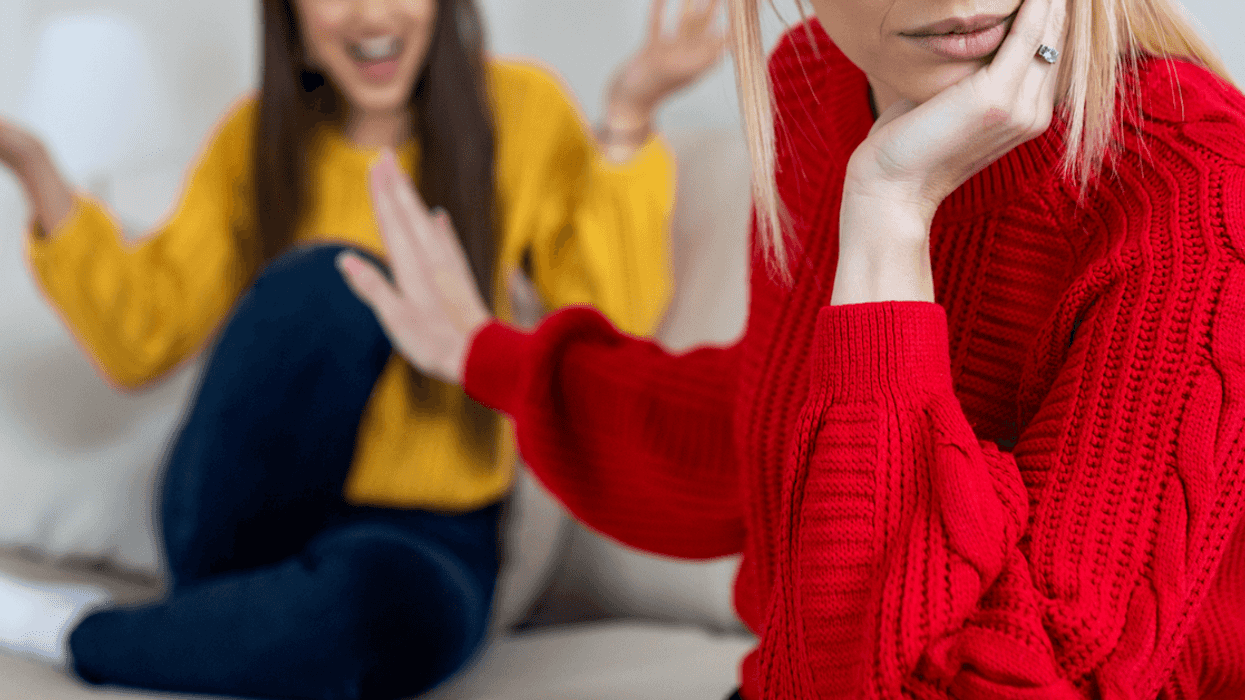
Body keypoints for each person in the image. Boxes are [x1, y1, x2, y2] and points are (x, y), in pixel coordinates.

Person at [338, 0, 1245, 697]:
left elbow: (1013, 678)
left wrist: (890, 214)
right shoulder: (810, 87)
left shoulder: (1194, 187)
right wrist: (488, 356)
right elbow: (773, 425)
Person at [0, 0, 727, 697]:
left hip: (429, 537)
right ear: (290, 12)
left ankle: (82, 630)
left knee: (376, 606)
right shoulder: (256, 137)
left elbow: (610, 323)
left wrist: (629, 115)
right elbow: (139, 336)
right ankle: (215, 622)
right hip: (243, 523)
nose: (374, 14)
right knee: (332, 283)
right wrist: (32, 166)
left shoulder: (521, 110)